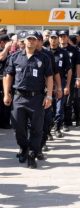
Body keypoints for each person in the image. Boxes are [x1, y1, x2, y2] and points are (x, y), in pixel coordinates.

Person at [3, 30, 53, 168]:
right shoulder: (15, 57)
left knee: (37, 129)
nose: (31, 41)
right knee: (18, 127)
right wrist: (6, 94)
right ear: (24, 41)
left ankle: (32, 153)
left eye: (34, 39)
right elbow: (8, 75)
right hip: (19, 97)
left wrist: (49, 96)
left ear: (37, 41)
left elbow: (49, 77)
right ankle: (23, 147)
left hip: (37, 98)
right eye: (28, 39)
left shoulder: (44, 58)